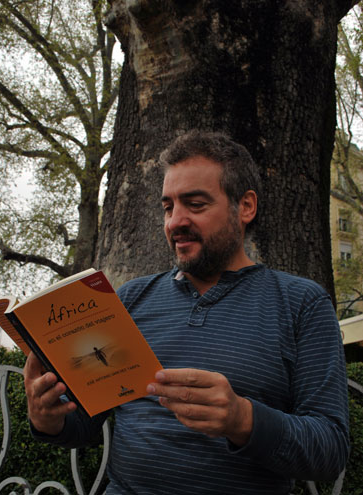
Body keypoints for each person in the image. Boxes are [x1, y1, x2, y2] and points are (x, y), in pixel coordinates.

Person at [24, 130, 349, 495]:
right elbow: (85, 424)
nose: (175, 221)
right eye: (168, 207)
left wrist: (243, 419)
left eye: (195, 204)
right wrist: (48, 418)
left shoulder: (301, 304)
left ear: (245, 207)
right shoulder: (130, 299)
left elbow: (331, 450)